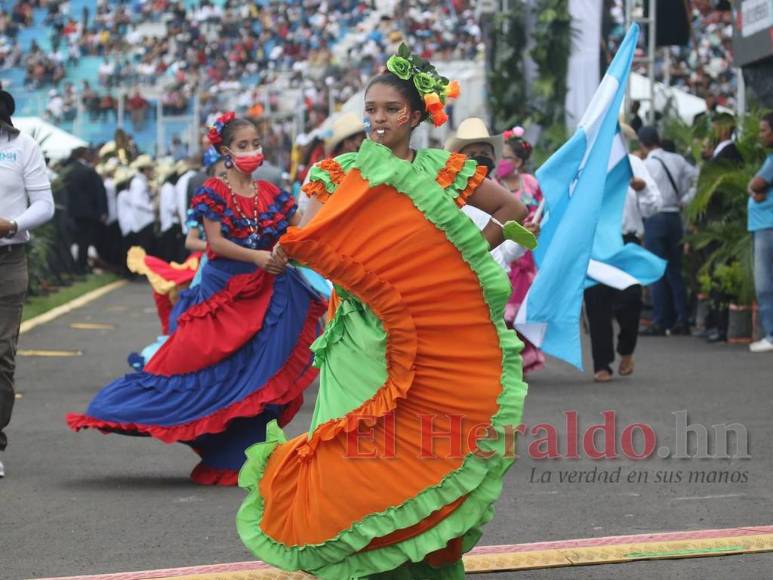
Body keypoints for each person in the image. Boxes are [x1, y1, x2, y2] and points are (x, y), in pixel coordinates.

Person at [236, 50, 528, 578]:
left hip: (425, 333)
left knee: (416, 448)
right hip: (357, 336)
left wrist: (461, 265)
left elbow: (512, 210)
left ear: (414, 116)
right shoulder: (336, 173)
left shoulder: (442, 169)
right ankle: (356, 565)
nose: (377, 118)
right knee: (350, 449)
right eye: (370, 108)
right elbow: (307, 238)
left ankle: (413, 562)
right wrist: (286, 252)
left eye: (390, 108)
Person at [67, 113, 327, 485]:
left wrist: (324, 190)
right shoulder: (213, 192)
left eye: (256, 145)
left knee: (258, 371)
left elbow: (302, 225)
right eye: (243, 146)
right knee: (195, 361)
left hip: (269, 292)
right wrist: (257, 256)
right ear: (225, 152)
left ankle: (242, 452)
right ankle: (141, 413)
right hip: (225, 294)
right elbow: (215, 243)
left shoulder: (270, 193)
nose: (252, 152)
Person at [0, 89, 55, 478]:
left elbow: (45, 204)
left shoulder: (22, 146)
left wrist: (14, 224)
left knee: (2, 355)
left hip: (7, 258)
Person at [584, 124, 662, 382]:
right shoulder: (585, 166)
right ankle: (601, 364)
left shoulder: (633, 165)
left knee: (631, 299)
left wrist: (643, 190)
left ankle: (626, 350)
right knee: (597, 303)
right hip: (594, 245)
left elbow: (654, 206)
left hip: (625, 243)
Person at [638, 126, 698, 336]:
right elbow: (697, 178)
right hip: (675, 217)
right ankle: (682, 319)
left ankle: (660, 320)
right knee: (675, 270)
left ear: (642, 144)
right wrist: (686, 199)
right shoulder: (678, 159)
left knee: (656, 270)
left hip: (655, 218)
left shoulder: (644, 166)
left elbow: (641, 197)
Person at [747, 111, 773, 353]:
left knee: (765, 283)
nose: (761, 134)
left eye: (764, 130)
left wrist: (753, 189)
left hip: (767, 226)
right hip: (763, 224)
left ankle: (771, 334)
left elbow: (755, 184)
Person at [63, 147, 108, 274]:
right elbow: (97, 192)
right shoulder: (88, 171)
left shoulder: (68, 170)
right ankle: (81, 267)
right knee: (84, 241)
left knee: (73, 240)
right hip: (87, 212)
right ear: (83, 155)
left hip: (70, 211)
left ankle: (73, 266)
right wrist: (101, 211)